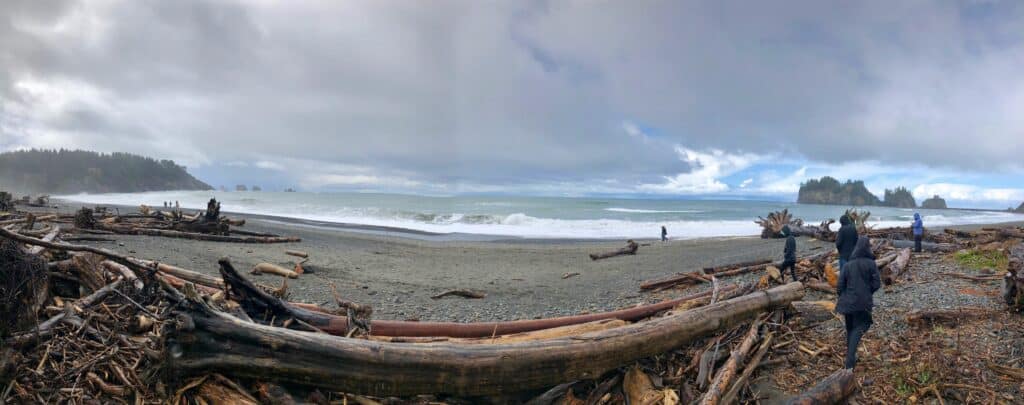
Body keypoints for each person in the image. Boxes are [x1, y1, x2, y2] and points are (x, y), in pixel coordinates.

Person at [836, 237, 881, 370]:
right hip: (862, 303)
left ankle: (851, 357)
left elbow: (839, 285)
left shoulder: (848, 264)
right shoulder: (870, 263)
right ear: (867, 247)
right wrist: (868, 292)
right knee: (862, 325)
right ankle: (849, 362)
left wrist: (844, 296)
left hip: (847, 302)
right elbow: (877, 284)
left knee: (851, 329)